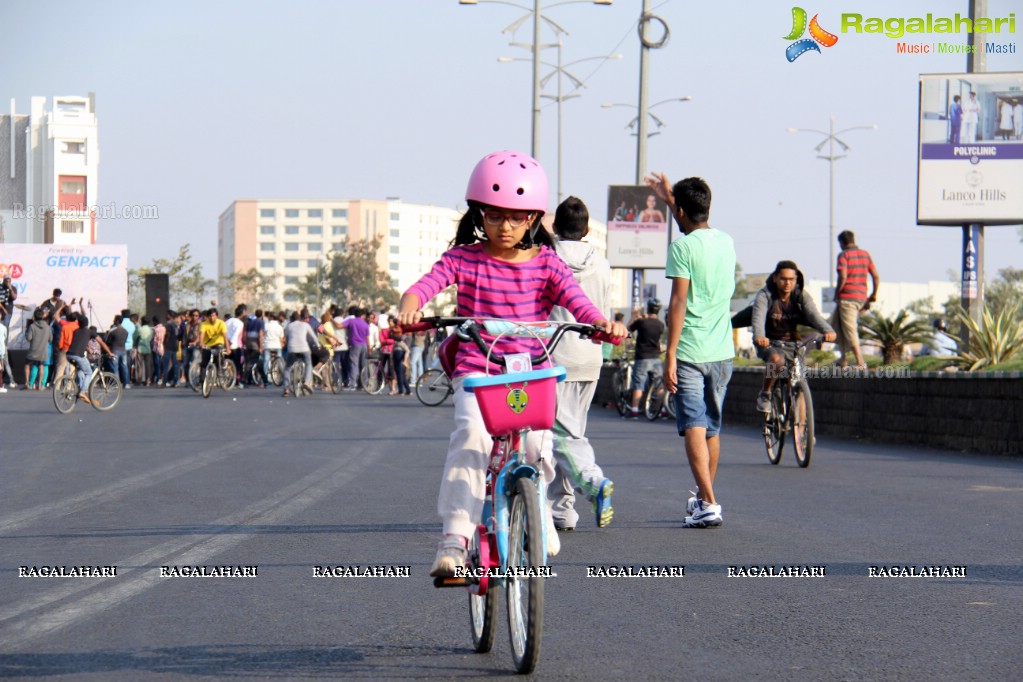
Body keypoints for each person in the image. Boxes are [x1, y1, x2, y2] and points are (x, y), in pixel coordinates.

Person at [397, 150, 625, 577]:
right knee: (471, 440)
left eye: (517, 217)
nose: (506, 226)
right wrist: (409, 309)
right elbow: (422, 288)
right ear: (480, 213)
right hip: (477, 373)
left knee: (540, 448)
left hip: (531, 373)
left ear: (533, 219)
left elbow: (578, 302)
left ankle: (536, 513)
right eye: (496, 215)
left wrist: (600, 324)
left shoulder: (547, 263)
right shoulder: (463, 259)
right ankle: (454, 538)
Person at [646, 172, 735, 529]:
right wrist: (672, 199)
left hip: (690, 351)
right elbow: (693, 221)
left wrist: (669, 353)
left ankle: (709, 502)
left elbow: (679, 301)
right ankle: (703, 499)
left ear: (680, 211)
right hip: (722, 351)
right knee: (711, 428)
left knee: (694, 426)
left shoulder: (681, 248)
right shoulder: (726, 242)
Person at [546, 196, 615, 532]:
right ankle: (562, 510)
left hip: (555, 355)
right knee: (571, 430)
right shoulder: (601, 263)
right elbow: (606, 312)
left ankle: (593, 481)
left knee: (561, 436)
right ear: (587, 229)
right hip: (591, 357)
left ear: (555, 227)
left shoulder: (546, 258)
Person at [752, 260, 836, 412]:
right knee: (777, 361)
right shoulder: (765, 296)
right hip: (770, 343)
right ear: (775, 278)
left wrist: (828, 330)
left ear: (796, 280)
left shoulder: (800, 295)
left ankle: (802, 431)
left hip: (794, 344)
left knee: (800, 383)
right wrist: (759, 336)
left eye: (791, 279)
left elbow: (813, 315)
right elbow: (758, 318)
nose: (787, 283)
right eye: (783, 279)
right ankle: (765, 394)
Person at [830, 230, 879, 369]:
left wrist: (837, 292)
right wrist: (873, 294)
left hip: (847, 298)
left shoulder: (843, 255)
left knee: (850, 329)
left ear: (842, 243)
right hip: (861, 296)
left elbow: (843, 276)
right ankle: (843, 359)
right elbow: (875, 276)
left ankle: (860, 361)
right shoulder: (865, 255)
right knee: (837, 326)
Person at [626, 299, 665, 418]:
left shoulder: (642, 322)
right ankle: (661, 410)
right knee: (658, 384)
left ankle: (635, 410)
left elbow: (628, 329)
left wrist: (635, 316)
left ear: (648, 308)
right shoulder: (660, 324)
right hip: (656, 358)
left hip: (642, 357)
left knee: (639, 384)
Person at [341, 306, 369, 390]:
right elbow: (367, 337)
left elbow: (340, 325)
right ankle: (364, 384)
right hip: (364, 345)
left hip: (355, 345)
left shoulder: (351, 321)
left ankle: (353, 384)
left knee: (354, 364)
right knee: (363, 365)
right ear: (362, 315)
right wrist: (369, 347)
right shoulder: (365, 323)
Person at [198, 308, 229, 383]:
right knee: (204, 363)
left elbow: (225, 336)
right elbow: (201, 335)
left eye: (213, 316)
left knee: (218, 356)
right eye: (210, 316)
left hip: (218, 343)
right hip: (208, 344)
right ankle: (202, 381)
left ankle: (220, 371)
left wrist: (228, 348)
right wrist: (201, 343)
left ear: (217, 316)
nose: (212, 318)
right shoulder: (204, 324)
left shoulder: (221, 323)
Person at [24, 308, 52, 390]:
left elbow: (29, 338)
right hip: (43, 351)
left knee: (27, 365)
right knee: (41, 366)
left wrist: (27, 333)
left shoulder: (32, 326)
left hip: (33, 350)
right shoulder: (47, 327)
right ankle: (40, 385)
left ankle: (27, 383)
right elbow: (50, 339)